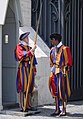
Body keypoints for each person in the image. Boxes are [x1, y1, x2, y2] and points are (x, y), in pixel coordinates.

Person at [48, 33, 73, 116]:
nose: (51, 41)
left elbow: (69, 62)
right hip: (54, 71)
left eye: (52, 40)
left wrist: (65, 70)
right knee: (55, 91)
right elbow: (51, 61)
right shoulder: (52, 49)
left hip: (62, 72)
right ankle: (57, 109)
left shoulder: (65, 49)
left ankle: (64, 109)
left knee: (62, 90)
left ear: (56, 40)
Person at [14, 32, 37, 112]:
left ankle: (28, 105)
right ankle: (22, 105)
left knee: (29, 87)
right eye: (26, 38)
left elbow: (33, 59)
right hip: (23, 68)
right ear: (23, 39)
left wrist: (34, 69)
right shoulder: (19, 47)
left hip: (29, 68)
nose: (27, 39)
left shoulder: (29, 47)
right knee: (22, 87)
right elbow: (22, 56)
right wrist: (32, 51)